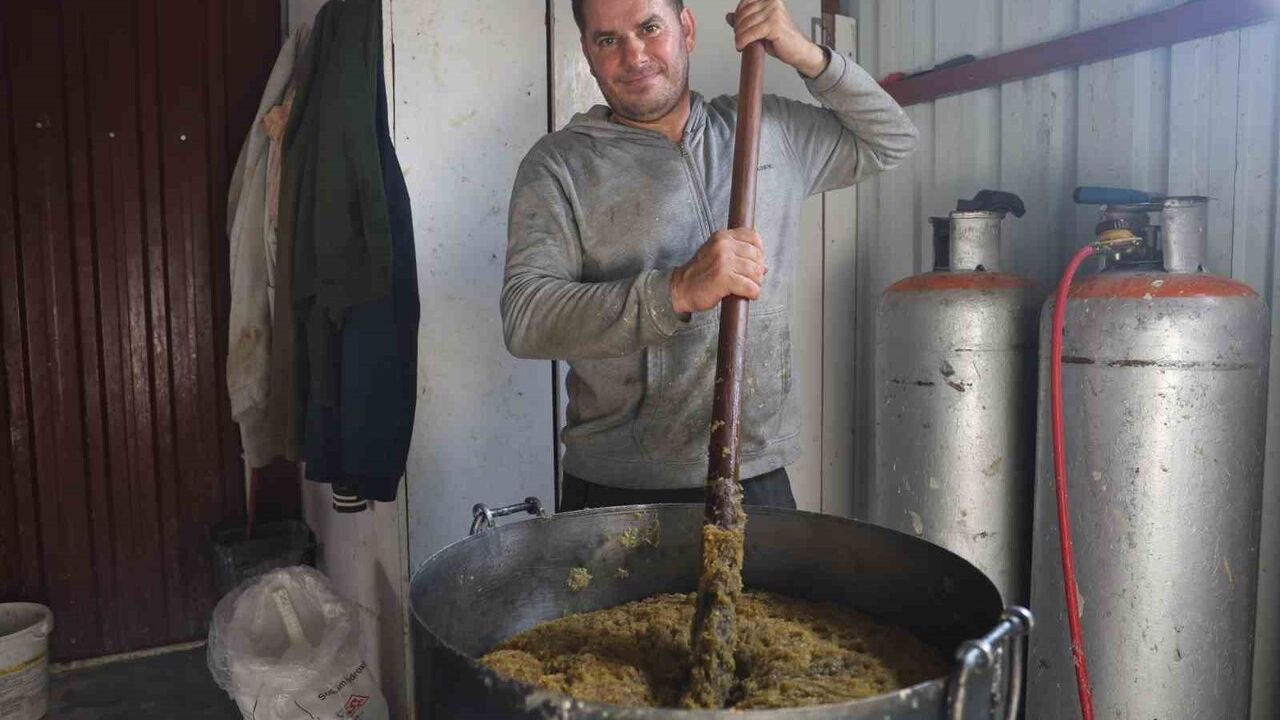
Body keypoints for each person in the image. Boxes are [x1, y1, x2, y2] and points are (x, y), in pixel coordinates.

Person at [501, 0, 917, 511]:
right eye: (608, 40)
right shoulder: (559, 166)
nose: (635, 56)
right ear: (587, 52)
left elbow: (891, 140)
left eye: (650, 28)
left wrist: (807, 55)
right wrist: (674, 291)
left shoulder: (766, 128)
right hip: (618, 487)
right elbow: (526, 318)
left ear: (687, 29)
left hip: (756, 473)